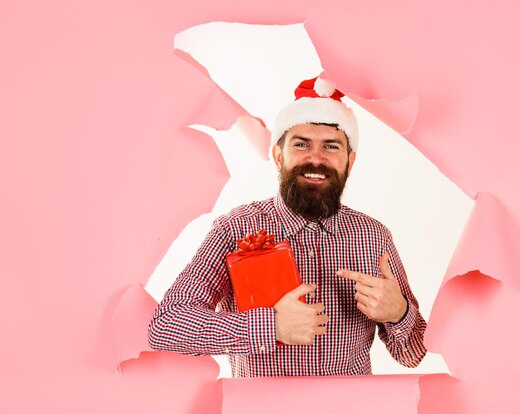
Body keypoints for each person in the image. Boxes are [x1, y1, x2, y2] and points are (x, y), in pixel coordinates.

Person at [148, 77, 427, 377]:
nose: (316, 159)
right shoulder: (235, 228)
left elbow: (413, 354)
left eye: (331, 146)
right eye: (301, 144)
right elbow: (167, 327)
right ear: (278, 156)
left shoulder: (373, 237)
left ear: (350, 161)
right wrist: (271, 326)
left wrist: (399, 313)